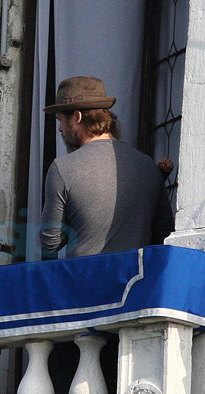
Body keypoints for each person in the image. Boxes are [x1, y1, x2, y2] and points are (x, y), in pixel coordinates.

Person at [40, 76, 175, 258]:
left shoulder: (62, 168)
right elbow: (165, 235)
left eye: (60, 120)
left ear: (77, 117)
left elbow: (50, 242)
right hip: (135, 275)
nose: (60, 129)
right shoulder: (148, 167)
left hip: (86, 274)